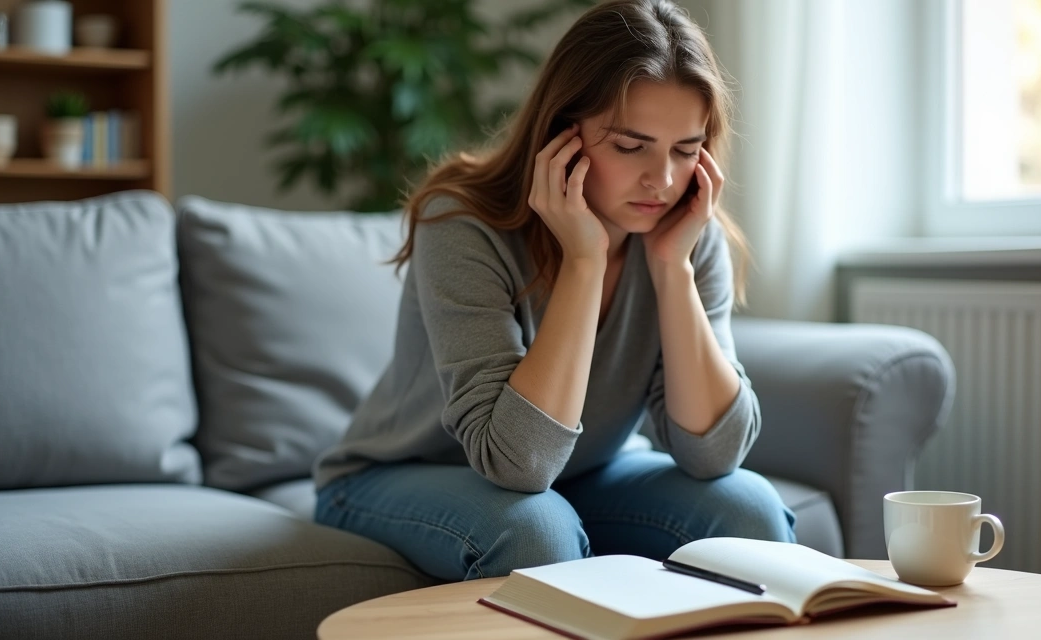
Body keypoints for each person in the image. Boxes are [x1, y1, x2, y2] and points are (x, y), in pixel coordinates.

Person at [313, 0, 796, 582]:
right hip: (398, 474)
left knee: (752, 511)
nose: (663, 180)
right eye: (629, 145)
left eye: (686, 149)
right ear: (564, 135)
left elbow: (713, 454)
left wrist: (673, 270)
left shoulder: (687, 233)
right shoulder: (462, 224)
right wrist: (584, 261)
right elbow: (518, 463)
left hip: (580, 473)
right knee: (534, 529)